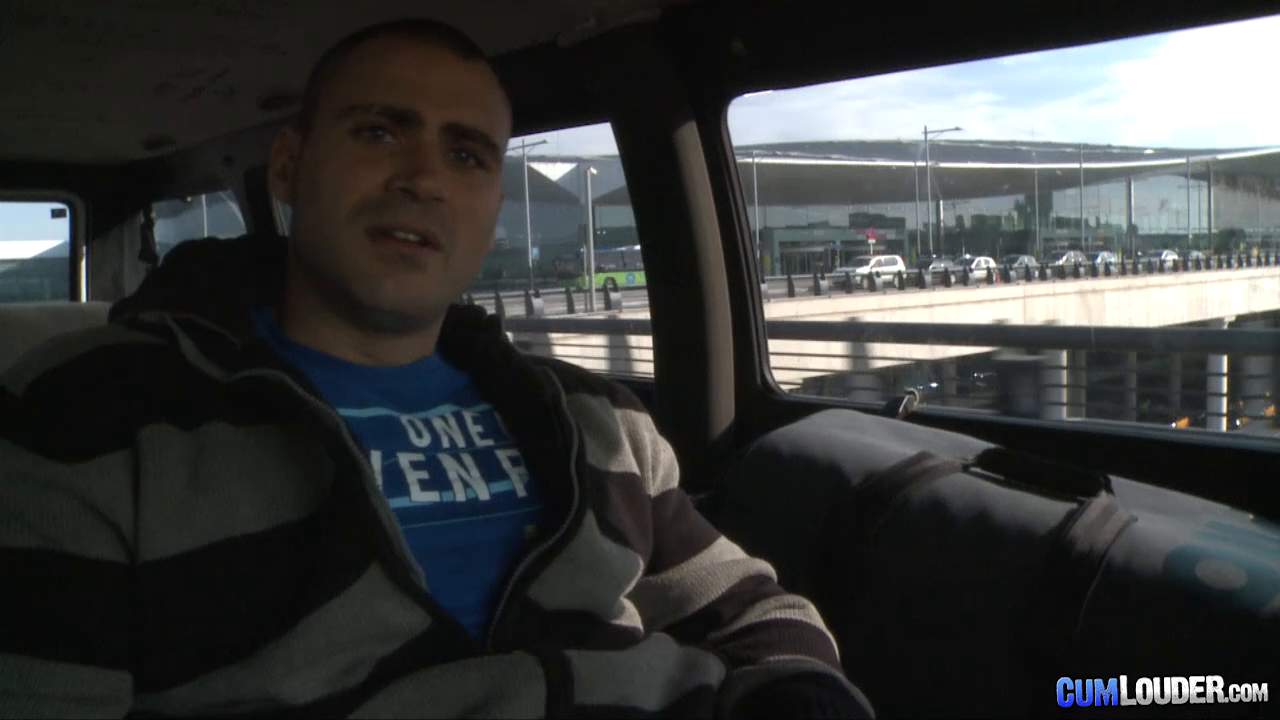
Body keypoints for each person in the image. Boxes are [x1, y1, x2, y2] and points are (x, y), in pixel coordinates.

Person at [0, 19, 872, 718]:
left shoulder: (596, 422)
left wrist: (797, 697)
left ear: (490, 203)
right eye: (380, 131)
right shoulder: (88, 417)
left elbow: (754, 612)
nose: (424, 178)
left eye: (466, 155)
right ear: (290, 168)